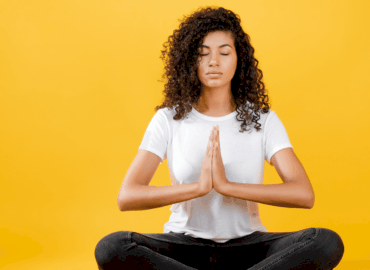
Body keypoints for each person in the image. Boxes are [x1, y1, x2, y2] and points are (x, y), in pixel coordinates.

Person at [94, 6, 344, 270]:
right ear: (190, 61)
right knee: (112, 246)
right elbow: (128, 196)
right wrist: (198, 187)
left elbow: (303, 194)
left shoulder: (262, 119)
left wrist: (226, 186)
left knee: (324, 241)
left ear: (239, 59)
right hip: (184, 246)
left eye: (224, 52)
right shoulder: (168, 119)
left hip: (248, 247)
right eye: (203, 54)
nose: (214, 61)